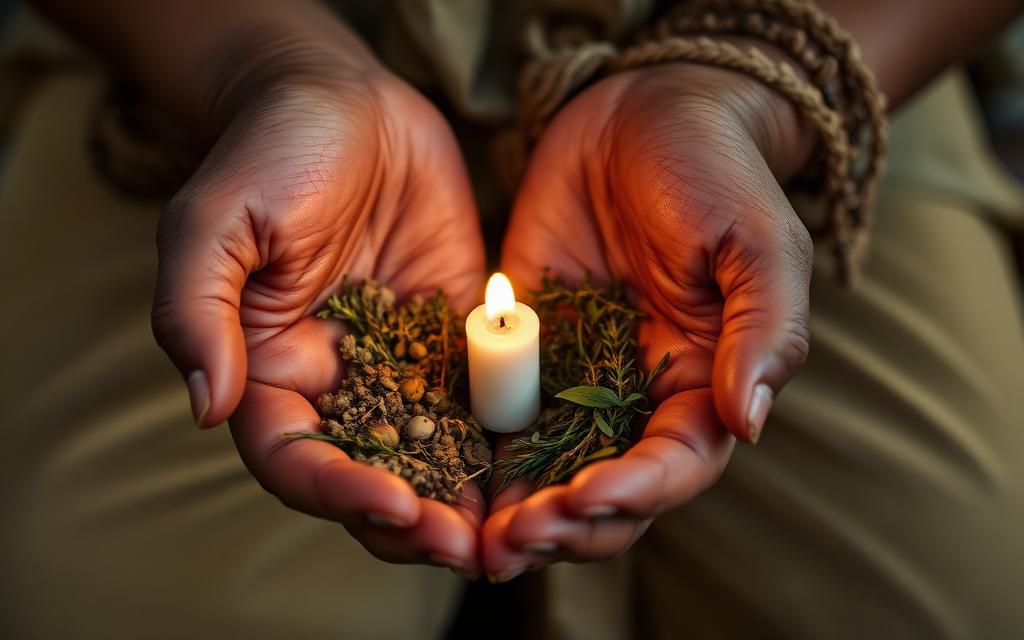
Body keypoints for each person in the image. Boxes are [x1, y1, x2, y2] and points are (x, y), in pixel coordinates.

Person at [1, 0, 1022, 637]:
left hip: (816, 55)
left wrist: (748, 95)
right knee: (107, 598)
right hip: (204, 57)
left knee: (955, 590)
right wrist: (269, 65)